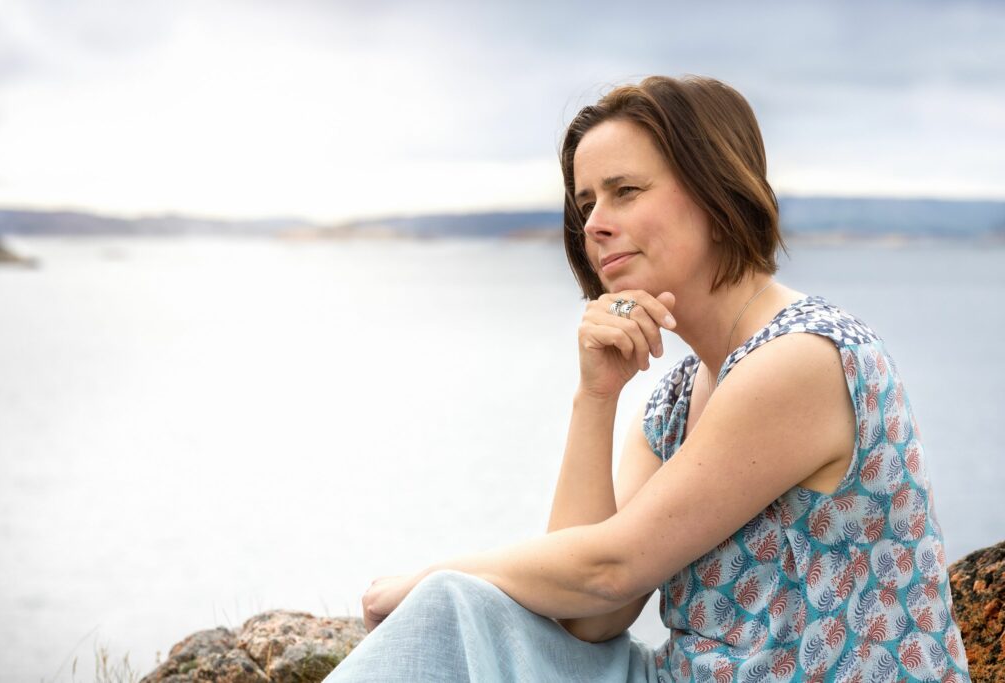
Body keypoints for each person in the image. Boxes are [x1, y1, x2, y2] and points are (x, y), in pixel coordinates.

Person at [324, 76, 970, 682]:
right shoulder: (674, 400)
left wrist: (432, 575)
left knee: (448, 603)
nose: (594, 223)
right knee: (463, 612)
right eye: (586, 203)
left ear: (716, 194)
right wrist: (596, 396)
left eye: (624, 191)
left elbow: (610, 567)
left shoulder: (804, 358)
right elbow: (591, 614)